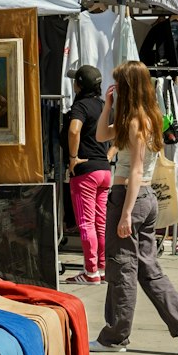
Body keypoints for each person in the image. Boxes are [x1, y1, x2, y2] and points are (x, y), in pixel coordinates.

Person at [90, 59, 178, 355]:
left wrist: (125, 213)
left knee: (121, 268)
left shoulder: (136, 121)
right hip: (144, 198)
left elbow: (136, 170)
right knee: (147, 267)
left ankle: (114, 337)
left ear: (128, 87)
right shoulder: (146, 117)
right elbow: (101, 136)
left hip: (130, 196)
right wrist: (107, 105)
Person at [63, 64, 112, 285]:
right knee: (100, 223)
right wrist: (108, 155)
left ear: (79, 85)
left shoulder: (80, 106)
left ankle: (90, 272)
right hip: (104, 170)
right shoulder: (104, 106)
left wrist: (73, 157)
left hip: (85, 171)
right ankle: (101, 269)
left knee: (86, 223)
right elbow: (119, 132)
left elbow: (74, 130)